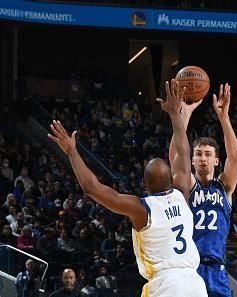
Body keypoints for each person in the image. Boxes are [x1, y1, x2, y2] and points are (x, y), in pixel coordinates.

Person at [48, 79, 207, 297]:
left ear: (144, 185)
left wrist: (72, 152)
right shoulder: (182, 194)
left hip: (166, 285)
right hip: (195, 284)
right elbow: (183, 151)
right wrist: (174, 115)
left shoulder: (142, 208)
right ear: (171, 178)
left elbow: (91, 188)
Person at [169, 83, 237, 296]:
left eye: (208, 154)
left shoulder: (225, 187)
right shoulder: (189, 186)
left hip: (217, 268)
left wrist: (224, 118)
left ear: (217, 160)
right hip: (190, 267)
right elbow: (174, 156)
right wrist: (185, 113)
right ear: (192, 160)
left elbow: (235, 158)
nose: (202, 158)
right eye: (198, 153)